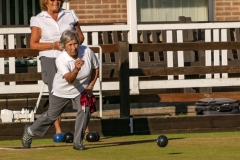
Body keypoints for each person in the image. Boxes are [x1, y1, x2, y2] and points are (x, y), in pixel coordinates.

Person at [22, 30, 99, 150]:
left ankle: (78, 141)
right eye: (70, 45)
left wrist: (90, 86)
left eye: (75, 43)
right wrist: (76, 70)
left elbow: (95, 68)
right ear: (64, 46)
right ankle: (30, 131)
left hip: (80, 89)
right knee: (51, 116)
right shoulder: (61, 59)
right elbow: (69, 79)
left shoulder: (87, 52)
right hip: (61, 90)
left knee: (86, 109)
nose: (74, 47)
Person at [30, 0, 90, 136]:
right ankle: (58, 131)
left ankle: (84, 130)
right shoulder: (38, 19)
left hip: (70, 58)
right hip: (50, 58)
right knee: (55, 92)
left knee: (79, 89)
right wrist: (53, 45)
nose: (56, 1)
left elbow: (80, 36)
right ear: (45, 2)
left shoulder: (70, 15)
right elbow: (33, 44)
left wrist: (71, 46)